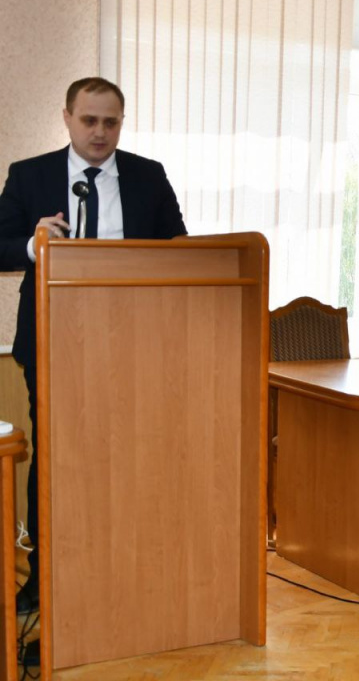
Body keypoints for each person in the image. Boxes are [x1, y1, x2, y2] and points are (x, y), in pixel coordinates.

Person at [0, 78, 187, 635]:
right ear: (67, 117)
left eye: (111, 122)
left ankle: (123, 569)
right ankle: (43, 578)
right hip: (51, 340)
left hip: (133, 344)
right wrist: (33, 245)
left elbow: (179, 248)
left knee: (129, 454)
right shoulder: (29, 174)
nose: (100, 132)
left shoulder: (148, 175)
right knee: (56, 455)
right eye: (89, 121)